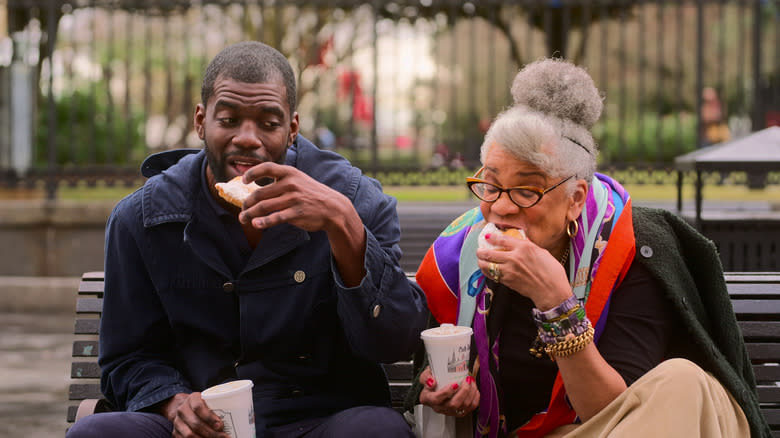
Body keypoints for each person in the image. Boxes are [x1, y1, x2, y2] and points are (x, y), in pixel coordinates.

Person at [66, 41, 428, 438]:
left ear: (292, 128)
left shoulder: (355, 200)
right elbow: (128, 358)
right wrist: (173, 402)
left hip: (321, 419)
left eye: (269, 123)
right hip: (202, 426)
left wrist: (342, 224)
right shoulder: (141, 218)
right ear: (201, 121)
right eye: (229, 119)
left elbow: (396, 342)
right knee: (94, 434)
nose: (247, 138)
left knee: (378, 430)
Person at [408, 59, 770, 437]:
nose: (501, 206)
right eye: (491, 184)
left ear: (575, 198)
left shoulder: (632, 246)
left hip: (622, 425)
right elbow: (425, 379)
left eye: (527, 190)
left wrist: (555, 301)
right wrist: (437, 389)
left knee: (684, 382)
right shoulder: (462, 257)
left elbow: (618, 415)